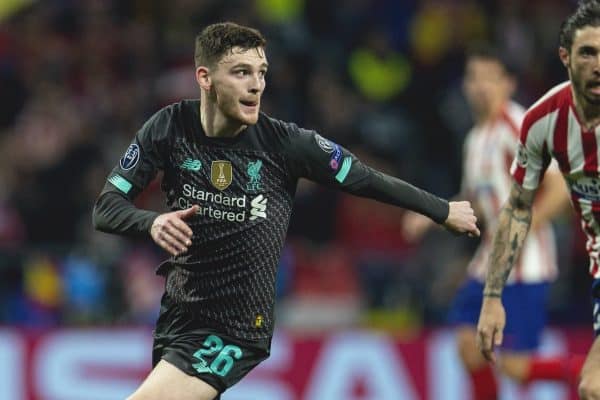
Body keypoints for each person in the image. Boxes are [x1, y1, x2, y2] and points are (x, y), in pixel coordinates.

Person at [92, 22, 480, 400]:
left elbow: (366, 179)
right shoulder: (169, 126)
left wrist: (441, 209)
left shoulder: (286, 144)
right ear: (205, 77)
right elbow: (106, 208)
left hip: (235, 326)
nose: (256, 84)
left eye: (261, 72)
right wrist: (153, 221)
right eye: (241, 72)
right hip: (178, 314)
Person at [404, 46, 579, 399]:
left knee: (515, 367)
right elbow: (476, 205)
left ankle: (586, 370)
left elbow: (560, 189)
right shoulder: (474, 139)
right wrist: (433, 214)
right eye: (474, 77)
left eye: (490, 77)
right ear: (465, 86)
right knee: (469, 348)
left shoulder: (518, 127)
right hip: (488, 265)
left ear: (508, 84)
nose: (481, 85)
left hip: (525, 266)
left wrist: (519, 231)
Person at [476, 2, 600, 399]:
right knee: (592, 387)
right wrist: (493, 296)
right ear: (565, 57)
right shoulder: (543, 121)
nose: (598, 64)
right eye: (587, 52)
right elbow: (517, 207)